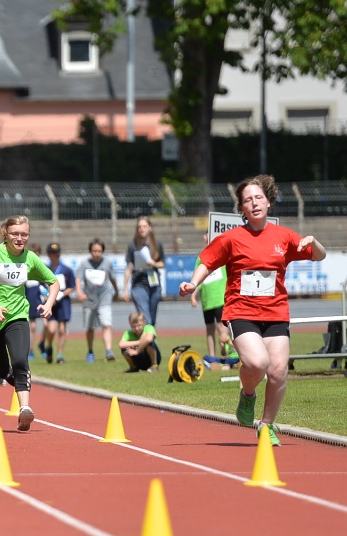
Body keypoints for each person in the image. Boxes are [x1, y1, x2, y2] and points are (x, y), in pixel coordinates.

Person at [179, 174, 326, 446]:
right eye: (248, 200)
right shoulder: (231, 238)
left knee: (279, 369)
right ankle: (248, 395)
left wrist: (312, 242)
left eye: (259, 198)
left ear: (269, 202)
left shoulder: (284, 236)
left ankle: (267, 425)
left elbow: (319, 255)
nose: (254, 203)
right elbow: (206, 260)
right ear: (242, 209)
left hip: (276, 313)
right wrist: (193, 283)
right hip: (241, 311)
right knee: (257, 363)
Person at [0, 215, 59, 432]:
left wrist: (49, 304)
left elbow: (53, 282)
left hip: (17, 316)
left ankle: (25, 409)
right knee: (0, 370)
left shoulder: (30, 258)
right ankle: (18, 381)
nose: (20, 238)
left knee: (20, 361)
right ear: (6, 234)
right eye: (15, 234)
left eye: (24, 234)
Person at [75, 237, 117, 363]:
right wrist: (79, 292)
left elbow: (113, 278)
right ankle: (90, 351)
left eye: (99, 251)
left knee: (106, 324)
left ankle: (109, 350)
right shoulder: (84, 264)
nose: (96, 253)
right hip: (89, 299)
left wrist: (117, 292)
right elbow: (78, 278)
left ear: (102, 251)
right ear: (90, 251)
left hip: (104, 298)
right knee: (90, 327)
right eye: (94, 251)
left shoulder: (107, 263)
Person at [190, 233, 227, 359]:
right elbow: (197, 279)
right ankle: (212, 357)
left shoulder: (223, 253)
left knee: (222, 327)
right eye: (205, 234)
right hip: (207, 300)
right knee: (209, 329)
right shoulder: (201, 257)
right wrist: (193, 296)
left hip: (220, 297)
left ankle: (225, 351)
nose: (206, 237)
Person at [122, 216, 165, 326]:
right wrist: (125, 290)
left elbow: (162, 264)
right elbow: (129, 268)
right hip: (138, 285)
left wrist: (154, 263)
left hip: (154, 285)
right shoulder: (132, 245)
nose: (142, 229)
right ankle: (148, 342)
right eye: (139, 227)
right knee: (146, 319)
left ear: (150, 228)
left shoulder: (157, 244)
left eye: (144, 226)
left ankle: (149, 343)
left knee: (152, 319)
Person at [41, 242, 75, 364]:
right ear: (48, 254)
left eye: (56, 253)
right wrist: (47, 298)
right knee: (51, 329)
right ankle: (49, 346)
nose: (54, 255)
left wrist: (61, 294)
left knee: (62, 329)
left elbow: (72, 286)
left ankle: (60, 354)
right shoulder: (44, 269)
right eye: (52, 253)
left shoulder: (67, 270)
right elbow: (41, 286)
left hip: (63, 302)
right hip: (50, 302)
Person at [24, 242, 44, 361]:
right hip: (29, 302)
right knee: (32, 326)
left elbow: (46, 284)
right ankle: (31, 350)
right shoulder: (24, 269)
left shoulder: (42, 268)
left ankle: (43, 344)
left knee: (48, 325)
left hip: (41, 302)